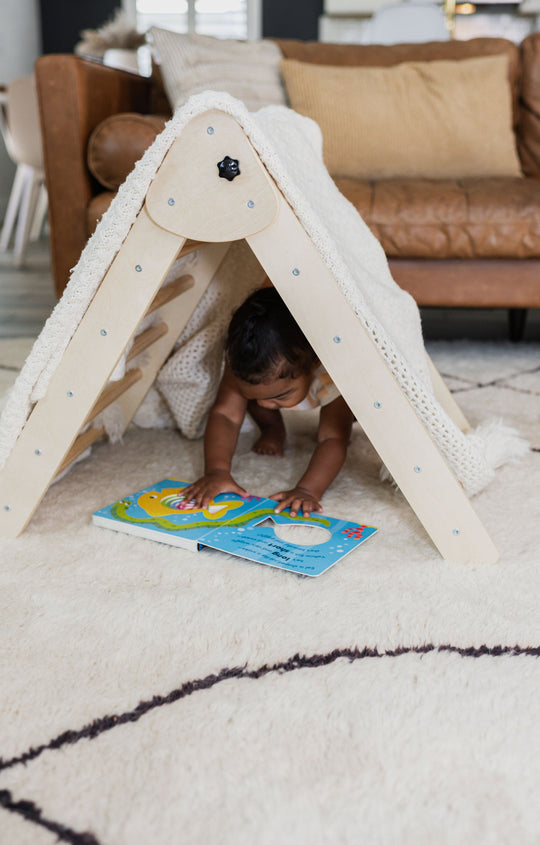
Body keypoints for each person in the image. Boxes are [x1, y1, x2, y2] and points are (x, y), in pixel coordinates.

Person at [182, 287, 354, 518]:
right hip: (265, 380)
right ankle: (273, 428)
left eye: (280, 396)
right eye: (255, 396)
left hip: (339, 391)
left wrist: (307, 490)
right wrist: (216, 471)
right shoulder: (243, 365)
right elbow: (226, 415)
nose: (265, 405)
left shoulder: (334, 375)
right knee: (253, 399)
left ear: (313, 364)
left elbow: (333, 439)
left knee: (343, 423)